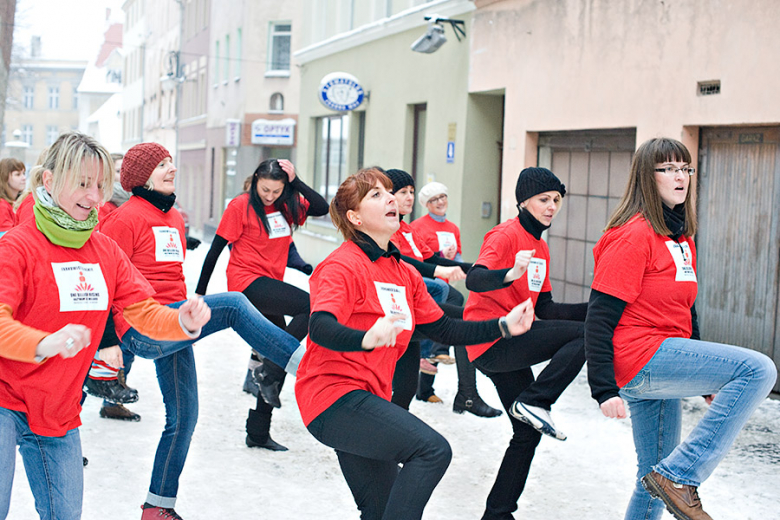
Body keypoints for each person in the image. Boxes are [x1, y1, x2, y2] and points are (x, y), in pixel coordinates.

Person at [294, 167, 535, 520]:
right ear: (354, 217)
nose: (391, 198)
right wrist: (364, 338)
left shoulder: (404, 273)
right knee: (433, 450)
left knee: (379, 509)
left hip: (368, 398)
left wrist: (502, 325)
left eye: (389, 191)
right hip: (332, 398)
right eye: (376, 194)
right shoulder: (341, 266)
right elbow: (320, 326)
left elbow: (447, 330)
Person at [0, 132, 211, 520]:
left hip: (58, 408)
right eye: (82, 183)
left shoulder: (104, 251)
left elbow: (142, 311)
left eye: (100, 185)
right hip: (5, 399)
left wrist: (180, 320)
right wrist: (46, 342)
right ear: (49, 181)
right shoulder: (17, 246)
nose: (94, 196)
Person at [98, 143, 304, 519]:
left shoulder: (174, 217)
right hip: (141, 325)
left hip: (175, 322)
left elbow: (171, 279)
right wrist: (108, 343)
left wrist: (186, 314)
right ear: (141, 176)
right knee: (234, 305)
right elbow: (103, 284)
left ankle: (157, 507)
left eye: (171, 161)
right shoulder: (123, 219)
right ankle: (307, 367)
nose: (171, 168)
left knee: (184, 417)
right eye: (161, 164)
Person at [585, 137, 777, 520]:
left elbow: (687, 312)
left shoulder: (680, 238)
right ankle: (682, 474)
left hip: (665, 355)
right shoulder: (633, 235)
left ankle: (670, 477)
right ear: (646, 177)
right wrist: (603, 387)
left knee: (651, 478)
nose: (681, 176)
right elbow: (599, 316)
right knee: (759, 369)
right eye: (668, 168)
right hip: (640, 356)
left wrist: (706, 380)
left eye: (685, 168)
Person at [464, 166, 587, 520]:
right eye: (543, 200)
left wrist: (597, 308)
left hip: (512, 344)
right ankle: (536, 400)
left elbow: (546, 308)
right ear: (523, 202)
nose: (551, 207)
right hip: (492, 338)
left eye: (557, 200)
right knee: (581, 336)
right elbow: (474, 279)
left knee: (526, 434)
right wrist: (509, 274)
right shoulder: (505, 235)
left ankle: (497, 514)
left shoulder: (541, 249)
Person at [196, 158, 328, 451]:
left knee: (278, 350)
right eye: (265, 189)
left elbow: (322, 208)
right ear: (255, 181)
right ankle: (268, 370)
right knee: (310, 305)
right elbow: (215, 249)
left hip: (270, 283)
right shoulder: (240, 205)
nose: (269, 196)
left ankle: (257, 432)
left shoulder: (286, 206)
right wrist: (199, 293)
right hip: (247, 281)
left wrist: (296, 183)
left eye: (276, 190)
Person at [384, 168, 502, 418]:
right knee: (455, 306)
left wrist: (482, 271)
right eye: (402, 192)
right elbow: (401, 261)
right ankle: (459, 383)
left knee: (404, 391)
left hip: (416, 305)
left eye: (411, 192)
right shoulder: (388, 230)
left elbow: (434, 258)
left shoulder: (408, 230)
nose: (408, 197)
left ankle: (461, 388)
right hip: (399, 310)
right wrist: (439, 271)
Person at [410, 181, 463, 262]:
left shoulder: (454, 228)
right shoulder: (416, 227)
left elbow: (457, 257)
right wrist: (440, 254)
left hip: (451, 273)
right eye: (434, 199)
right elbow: (415, 257)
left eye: (442, 197)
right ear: (427, 204)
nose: (440, 202)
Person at [0, 158, 25, 235]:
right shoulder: (2, 205)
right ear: (5, 177)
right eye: (18, 174)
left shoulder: (17, 202)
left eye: (23, 173)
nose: (24, 178)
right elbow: (5, 236)